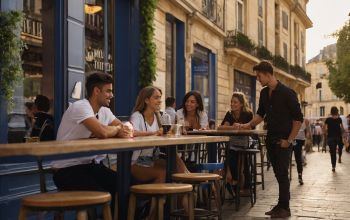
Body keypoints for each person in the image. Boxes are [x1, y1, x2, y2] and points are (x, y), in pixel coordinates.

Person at [52, 72, 133, 213]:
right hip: (67, 170)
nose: (112, 95)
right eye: (108, 91)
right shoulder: (80, 107)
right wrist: (117, 129)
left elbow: (126, 129)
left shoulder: (105, 112)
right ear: (96, 91)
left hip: (91, 166)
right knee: (103, 194)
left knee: (126, 185)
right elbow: (101, 132)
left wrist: (119, 128)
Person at [238, 61, 303, 218]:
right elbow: (260, 114)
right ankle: (280, 205)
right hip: (271, 138)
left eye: (259, 76)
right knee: (278, 173)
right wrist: (247, 125)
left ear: (268, 74)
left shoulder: (288, 93)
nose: (258, 79)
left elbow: (298, 119)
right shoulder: (264, 93)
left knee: (282, 174)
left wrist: (289, 140)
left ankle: (285, 208)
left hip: (283, 141)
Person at [129, 86, 189, 218]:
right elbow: (132, 132)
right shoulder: (137, 116)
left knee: (176, 165)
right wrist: (154, 133)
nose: (159, 101)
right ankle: (153, 215)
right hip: (136, 163)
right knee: (163, 173)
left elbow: (165, 133)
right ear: (146, 100)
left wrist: (177, 130)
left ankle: (183, 211)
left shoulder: (158, 117)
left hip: (151, 160)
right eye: (156, 98)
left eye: (160, 98)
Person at [218, 92, 253, 188]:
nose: (232, 104)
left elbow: (250, 128)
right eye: (231, 102)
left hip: (244, 144)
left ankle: (235, 181)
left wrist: (236, 127)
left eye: (235, 102)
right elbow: (221, 128)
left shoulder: (248, 114)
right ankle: (233, 180)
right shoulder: (229, 114)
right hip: (231, 144)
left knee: (236, 157)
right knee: (230, 153)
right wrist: (234, 127)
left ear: (241, 104)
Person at [324, 106, 345, 171]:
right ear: (337, 111)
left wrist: (326, 133)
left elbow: (324, 128)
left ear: (331, 112)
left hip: (330, 137)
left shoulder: (328, 119)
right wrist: (344, 133)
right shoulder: (339, 119)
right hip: (338, 137)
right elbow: (342, 128)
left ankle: (333, 166)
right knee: (338, 148)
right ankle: (338, 157)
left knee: (332, 152)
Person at [293, 118, 310, 185]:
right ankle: (299, 176)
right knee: (298, 159)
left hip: (296, 140)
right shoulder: (303, 119)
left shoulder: (305, 120)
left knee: (297, 159)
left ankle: (299, 176)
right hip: (296, 140)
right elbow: (308, 131)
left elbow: (308, 131)